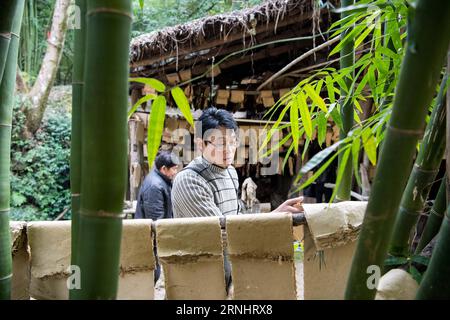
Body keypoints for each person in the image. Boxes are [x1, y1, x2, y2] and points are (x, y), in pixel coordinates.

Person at [171, 107, 303, 292]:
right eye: (220, 144)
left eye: (233, 142)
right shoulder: (189, 180)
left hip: (226, 274)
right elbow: (220, 235)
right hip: (199, 279)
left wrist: (275, 215)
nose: (228, 150)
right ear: (201, 144)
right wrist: (273, 222)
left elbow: (238, 218)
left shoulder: (231, 172)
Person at [135, 151, 179, 284]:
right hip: (150, 240)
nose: (176, 172)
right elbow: (156, 221)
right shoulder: (155, 186)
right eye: (174, 169)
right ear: (164, 169)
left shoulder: (162, 180)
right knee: (153, 274)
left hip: (153, 239)